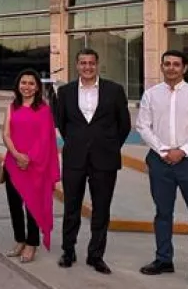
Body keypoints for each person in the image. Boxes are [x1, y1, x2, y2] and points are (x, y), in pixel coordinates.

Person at [135, 50, 188, 289]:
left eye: (176, 64)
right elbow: (143, 126)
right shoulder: (151, 95)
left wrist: (183, 151)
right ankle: (163, 260)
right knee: (163, 213)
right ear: (162, 67)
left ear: (184, 68)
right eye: (167, 64)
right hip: (160, 161)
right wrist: (163, 151)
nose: (171, 68)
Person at [55, 48, 131, 274]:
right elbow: (62, 123)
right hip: (74, 158)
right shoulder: (65, 92)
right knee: (71, 208)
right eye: (83, 63)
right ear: (77, 65)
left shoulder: (114, 90)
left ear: (97, 65)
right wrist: (78, 142)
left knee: (101, 209)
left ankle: (96, 255)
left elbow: (124, 124)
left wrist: (108, 145)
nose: (87, 67)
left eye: (91, 63)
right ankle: (68, 251)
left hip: (105, 159)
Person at [2, 69, 60, 263]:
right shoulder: (12, 107)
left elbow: (45, 139)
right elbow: (6, 134)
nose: (26, 87)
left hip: (35, 166)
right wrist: (17, 155)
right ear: (18, 85)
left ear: (37, 87)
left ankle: (32, 243)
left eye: (31, 83)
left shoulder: (44, 109)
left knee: (33, 206)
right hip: (13, 164)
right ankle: (20, 239)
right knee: (14, 205)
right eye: (23, 82)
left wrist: (28, 158)